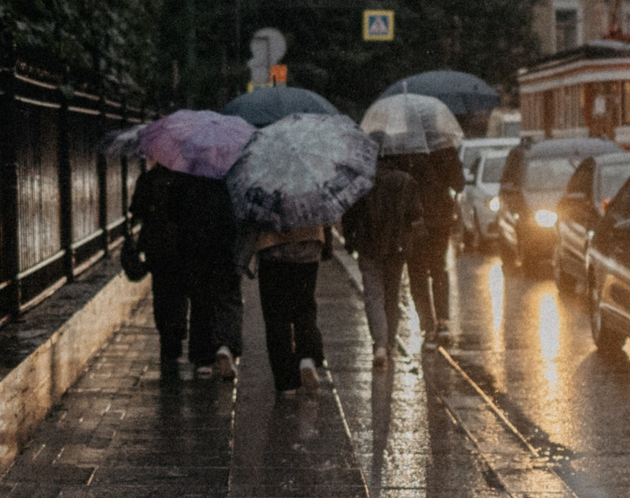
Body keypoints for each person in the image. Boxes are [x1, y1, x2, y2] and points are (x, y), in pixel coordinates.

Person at [130, 163, 242, 382]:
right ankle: (221, 346)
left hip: (186, 247)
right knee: (222, 299)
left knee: (193, 299)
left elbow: (167, 211)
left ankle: (198, 357)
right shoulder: (228, 177)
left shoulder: (178, 178)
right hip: (222, 247)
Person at [342, 155, 423, 365]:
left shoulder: (361, 181)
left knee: (373, 295)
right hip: (396, 248)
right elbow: (415, 214)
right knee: (391, 294)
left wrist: (349, 240)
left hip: (368, 245)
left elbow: (349, 215)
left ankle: (380, 343)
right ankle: (389, 343)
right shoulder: (406, 180)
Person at [251, 221, 332, 394]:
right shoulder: (311, 191)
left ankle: (285, 380)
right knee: (305, 306)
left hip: (272, 246)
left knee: (275, 315)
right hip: (309, 243)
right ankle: (307, 358)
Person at [403, 146, 460, 343]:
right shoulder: (445, 150)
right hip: (440, 219)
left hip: (415, 220)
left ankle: (427, 326)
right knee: (438, 269)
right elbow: (459, 184)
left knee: (417, 274)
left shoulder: (406, 151)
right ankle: (442, 321)